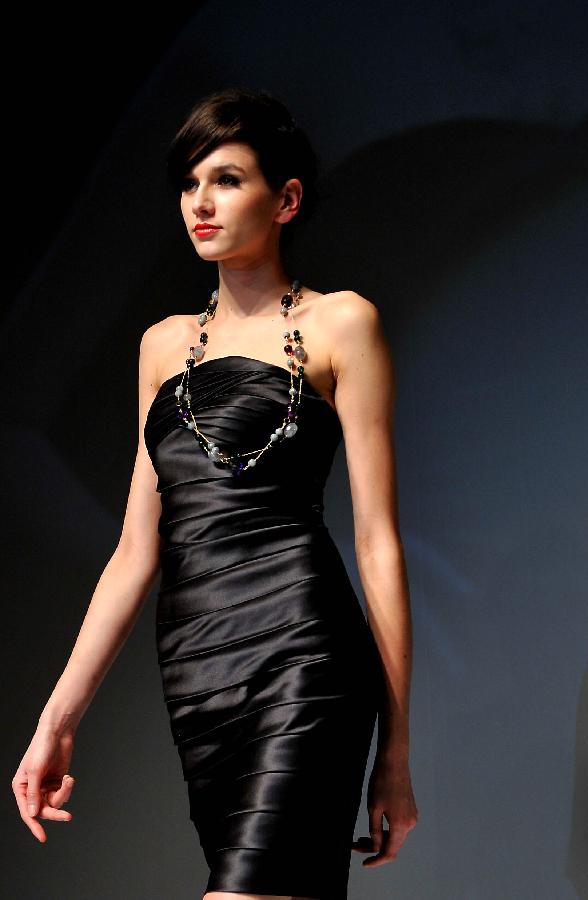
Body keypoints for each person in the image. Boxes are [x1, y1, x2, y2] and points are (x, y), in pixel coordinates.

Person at [12, 86, 418, 900]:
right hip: (199, 670)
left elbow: (377, 541)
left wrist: (396, 752)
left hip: (304, 654)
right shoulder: (162, 346)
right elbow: (135, 552)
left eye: (227, 179)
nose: (199, 202)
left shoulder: (343, 324)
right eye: (189, 184)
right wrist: (55, 721)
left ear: (287, 199)